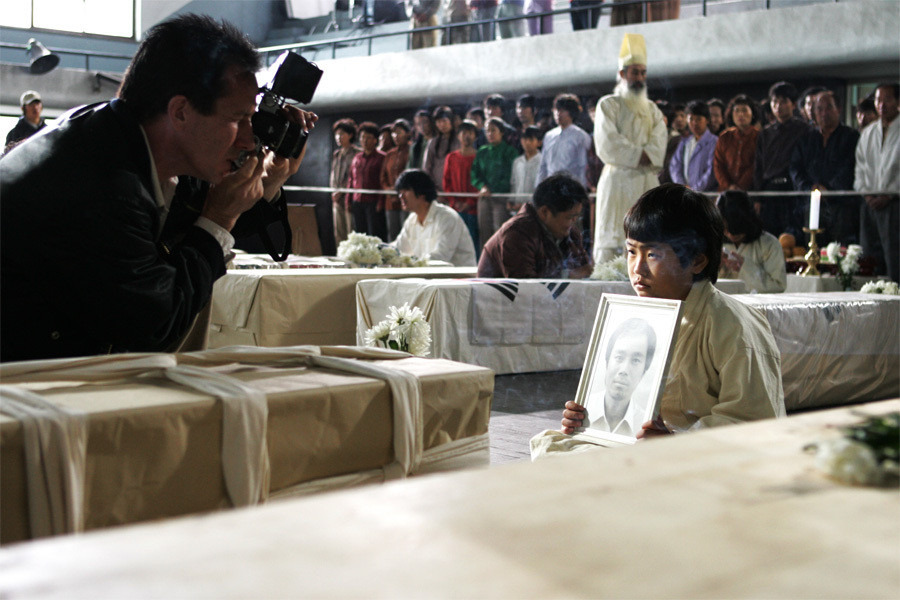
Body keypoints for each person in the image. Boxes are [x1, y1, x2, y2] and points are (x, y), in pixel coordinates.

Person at [0, 14, 315, 362]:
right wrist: (218, 217)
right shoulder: (95, 180)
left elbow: (202, 239)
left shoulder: (127, 137)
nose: (247, 139)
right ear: (180, 111)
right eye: (237, 119)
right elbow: (153, 328)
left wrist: (266, 182)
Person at [553, 183, 785, 448]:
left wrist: (676, 444)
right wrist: (588, 420)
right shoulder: (637, 322)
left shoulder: (733, 325)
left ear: (697, 261)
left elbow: (755, 424)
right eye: (631, 251)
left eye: (653, 254)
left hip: (707, 464)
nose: (637, 269)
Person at [593, 33, 668, 264]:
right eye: (635, 72)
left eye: (643, 73)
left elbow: (659, 143)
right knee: (613, 245)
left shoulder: (653, 110)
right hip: (616, 183)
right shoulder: (608, 104)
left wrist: (645, 155)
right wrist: (641, 155)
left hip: (646, 183)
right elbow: (608, 144)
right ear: (622, 74)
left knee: (649, 244)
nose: (639, 78)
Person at [478, 173, 592, 279]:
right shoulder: (517, 234)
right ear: (545, 212)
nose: (573, 222)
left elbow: (584, 270)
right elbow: (526, 288)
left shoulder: (570, 234)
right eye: (569, 217)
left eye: (576, 217)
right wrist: (568, 275)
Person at [789, 91, 860, 246]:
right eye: (819, 109)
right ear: (813, 112)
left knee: (841, 250)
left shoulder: (851, 137)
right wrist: (810, 188)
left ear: (839, 109)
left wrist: (830, 188)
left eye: (829, 108)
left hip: (841, 204)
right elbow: (795, 168)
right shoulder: (806, 139)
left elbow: (851, 166)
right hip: (812, 203)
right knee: (813, 246)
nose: (823, 113)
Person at [854, 82, 899, 283]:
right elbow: (860, 167)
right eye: (878, 100)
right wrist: (867, 193)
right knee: (869, 258)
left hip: (895, 203)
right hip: (869, 203)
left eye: (887, 99)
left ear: (898, 101)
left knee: (894, 257)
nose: (882, 104)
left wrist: (889, 194)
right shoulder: (868, 132)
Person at [753, 81, 810, 238]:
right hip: (770, 191)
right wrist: (758, 197)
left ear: (793, 104)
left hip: (792, 190)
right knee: (769, 237)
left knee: (793, 237)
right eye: (774, 102)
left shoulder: (804, 130)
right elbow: (758, 167)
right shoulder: (765, 133)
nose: (778, 106)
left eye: (783, 101)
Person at [584, 318, 657, 438]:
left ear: (643, 371)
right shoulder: (582, 410)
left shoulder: (647, 425)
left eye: (635, 360)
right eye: (619, 357)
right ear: (607, 362)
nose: (624, 370)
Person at [392, 169, 477, 266]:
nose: (401, 196)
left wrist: (412, 263)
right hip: (427, 277)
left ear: (421, 193)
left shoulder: (447, 218)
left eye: (406, 190)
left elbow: (441, 257)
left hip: (458, 278)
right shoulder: (412, 220)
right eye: (400, 192)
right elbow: (399, 248)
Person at [716, 191, 786, 293]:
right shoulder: (714, 243)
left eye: (737, 231)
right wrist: (716, 267)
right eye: (726, 230)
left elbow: (778, 287)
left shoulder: (769, 244)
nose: (731, 235)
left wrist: (745, 267)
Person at [471, 117, 518, 247]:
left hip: (501, 197)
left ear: (502, 132)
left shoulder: (510, 151)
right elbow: (475, 174)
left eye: (493, 130)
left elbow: (510, 176)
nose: (490, 134)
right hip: (484, 197)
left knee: (500, 232)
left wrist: (492, 189)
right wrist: (482, 187)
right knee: (484, 232)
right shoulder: (482, 151)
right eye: (487, 131)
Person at [537, 93, 593, 188]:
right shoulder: (549, 136)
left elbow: (583, 167)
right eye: (556, 110)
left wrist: (582, 191)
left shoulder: (581, 136)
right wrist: (538, 187)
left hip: (571, 187)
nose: (558, 114)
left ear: (571, 112)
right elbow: (543, 166)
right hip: (550, 187)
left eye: (562, 111)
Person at [443, 120, 481, 252]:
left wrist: (469, 202)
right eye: (463, 133)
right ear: (458, 136)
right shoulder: (451, 157)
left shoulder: (479, 156)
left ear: (475, 136)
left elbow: (480, 182)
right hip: (455, 207)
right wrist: (454, 201)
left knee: (473, 241)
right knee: (453, 241)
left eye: (470, 133)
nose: (467, 136)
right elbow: (446, 181)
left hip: (473, 208)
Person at [348, 121, 387, 241]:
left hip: (373, 202)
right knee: (360, 235)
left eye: (368, 138)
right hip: (357, 201)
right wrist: (348, 200)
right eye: (362, 137)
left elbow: (383, 181)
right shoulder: (357, 157)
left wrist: (381, 202)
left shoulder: (382, 157)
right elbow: (351, 180)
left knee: (374, 235)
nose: (365, 141)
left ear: (375, 140)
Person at [668, 100, 718, 192]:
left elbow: (712, 172)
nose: (694, 123)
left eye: (698, 119)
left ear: (707, 120)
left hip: (706, 194)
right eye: (691, 119)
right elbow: (675, 166)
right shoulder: (685, 142)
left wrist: (695, 190)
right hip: (685, 194)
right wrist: (682, 187)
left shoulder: (714, 142)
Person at [713, 94, 760, 192]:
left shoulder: (759, 136)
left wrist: (740, 187)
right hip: (726, 192)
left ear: (753, 113)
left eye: (744, 110)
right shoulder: (724, 137)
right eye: (737, 110)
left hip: (750, 192)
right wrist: (728, 186)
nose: (740, 114)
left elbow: (756, 165)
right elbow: (718, 165)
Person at [380, 118, 413, 241]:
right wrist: (388, 189)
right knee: (392, 233)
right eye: (393, 133)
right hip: (390, 199)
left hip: (407, 199)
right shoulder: (390, 154)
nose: (395, 136)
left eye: (399, 132)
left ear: (408, 133)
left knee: (407, 233)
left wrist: (400, 190)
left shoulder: (411, 150)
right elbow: (383, 177)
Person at [330, 118, 360, 246]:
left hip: (350, 199)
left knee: (351, 232)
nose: (338, 137)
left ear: (350, 135)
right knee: (339, 232)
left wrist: (341, 192)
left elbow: (352, 177)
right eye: (337, 134)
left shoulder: (357, 153)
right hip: (336, 200)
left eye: (342, 134)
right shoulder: (337, 154)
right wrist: (334, 192)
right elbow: (333, 176)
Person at [422, 106, 459, 191]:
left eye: (444, 121)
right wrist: (433, 189)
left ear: (451, 121)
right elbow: (426, 168)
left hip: (455, 189)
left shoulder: (459, 141)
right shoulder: (432, 142)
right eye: (438, 121)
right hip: (437, 190)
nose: (442, 124)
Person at [509, 125, 542, 213]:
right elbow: (513, 184)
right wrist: (511, 201)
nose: (527, 142)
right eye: (524, 139)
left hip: (535, 207)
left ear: (539, 142)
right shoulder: (517, 161)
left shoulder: (543, 162)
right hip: (518, 207)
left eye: (531, 139)